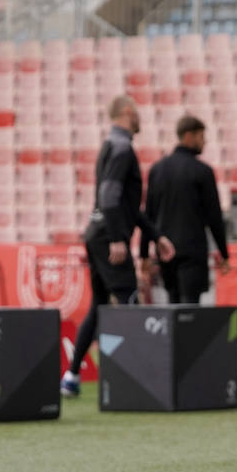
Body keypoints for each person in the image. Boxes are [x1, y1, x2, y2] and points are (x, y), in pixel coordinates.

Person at [60, 96, 173, 397]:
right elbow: (110, 197)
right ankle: (138, 380)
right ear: (126, 112)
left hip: (95, 232)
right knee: (129, 298)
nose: (140, 118)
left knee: (98, 305)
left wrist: (156, 234)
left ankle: (71, 376)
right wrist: (117, 237)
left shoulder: (110, 146)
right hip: (107, 236)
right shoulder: (123, 149)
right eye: (137, 112)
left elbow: (125, 205)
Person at [143, 114, 229, 306]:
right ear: (189, 136)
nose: (204, 141)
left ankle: (174, 338)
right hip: (192, 252)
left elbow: (148, 215)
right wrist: (223, 253)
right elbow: (214, 217)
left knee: (173, 305)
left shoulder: (157, 169)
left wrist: (143, 253)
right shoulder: (203, 171)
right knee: (190, 309)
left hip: (166, 251)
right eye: (201, 136)